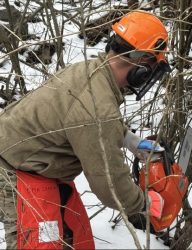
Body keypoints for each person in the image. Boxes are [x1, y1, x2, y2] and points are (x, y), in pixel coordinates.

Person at [0, 11, 171, 249]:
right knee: (37, 243)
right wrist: (143, 203)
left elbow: (83, 118)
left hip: (28, 160)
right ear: (142, 66)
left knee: (69, 238)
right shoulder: (98, 107)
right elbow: (108, 183)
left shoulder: (92, 71)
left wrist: (128, 139)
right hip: (13, 170)